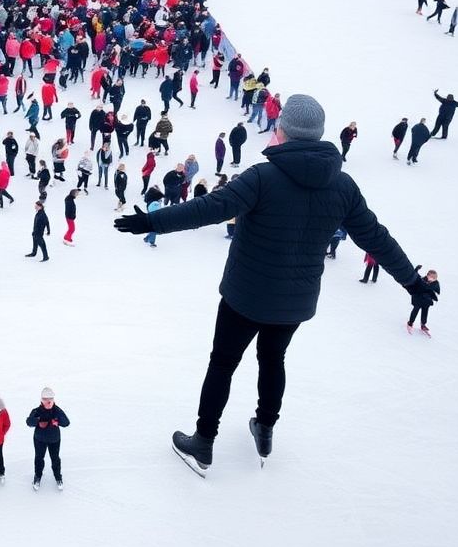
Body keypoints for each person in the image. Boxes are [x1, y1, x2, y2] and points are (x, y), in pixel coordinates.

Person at [114, 94, 422, 476]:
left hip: (245, 297)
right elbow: (376, 238)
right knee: (273, 360)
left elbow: (209, 209)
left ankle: (204, 442)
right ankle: (265, 429)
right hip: (294, 304)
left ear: (283, 129)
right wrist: (413, 282)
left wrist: (153, 222)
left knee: (223, 364)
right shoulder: (343, 186)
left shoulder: (262, 177)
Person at [26, 388, 70, 491]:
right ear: (41, 400)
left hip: (54, 440)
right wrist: (38, 421)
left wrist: (57, 421)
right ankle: (37, 477)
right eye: (45, 399)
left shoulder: (57, 411)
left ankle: (58, 477)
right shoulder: (37, 411)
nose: (48, 401)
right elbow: (29, 422)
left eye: (50, 399)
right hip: (39, 439)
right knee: (39, 458)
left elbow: (66, 422)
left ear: (53, 400)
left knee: (55, 458)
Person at [406, 269, 439, 336]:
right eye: (432, 277)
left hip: (427, 301)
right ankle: (410, 323)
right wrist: (416, 270)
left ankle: (423, 324)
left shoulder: (436, 283)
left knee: (425, 313)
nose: (434, 279)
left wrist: (434, 295)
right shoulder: (422, 280)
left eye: (435, 278)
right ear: (427, 276)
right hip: (418, 300)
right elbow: (416, 286)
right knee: (415, 311)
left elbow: (437, 291)